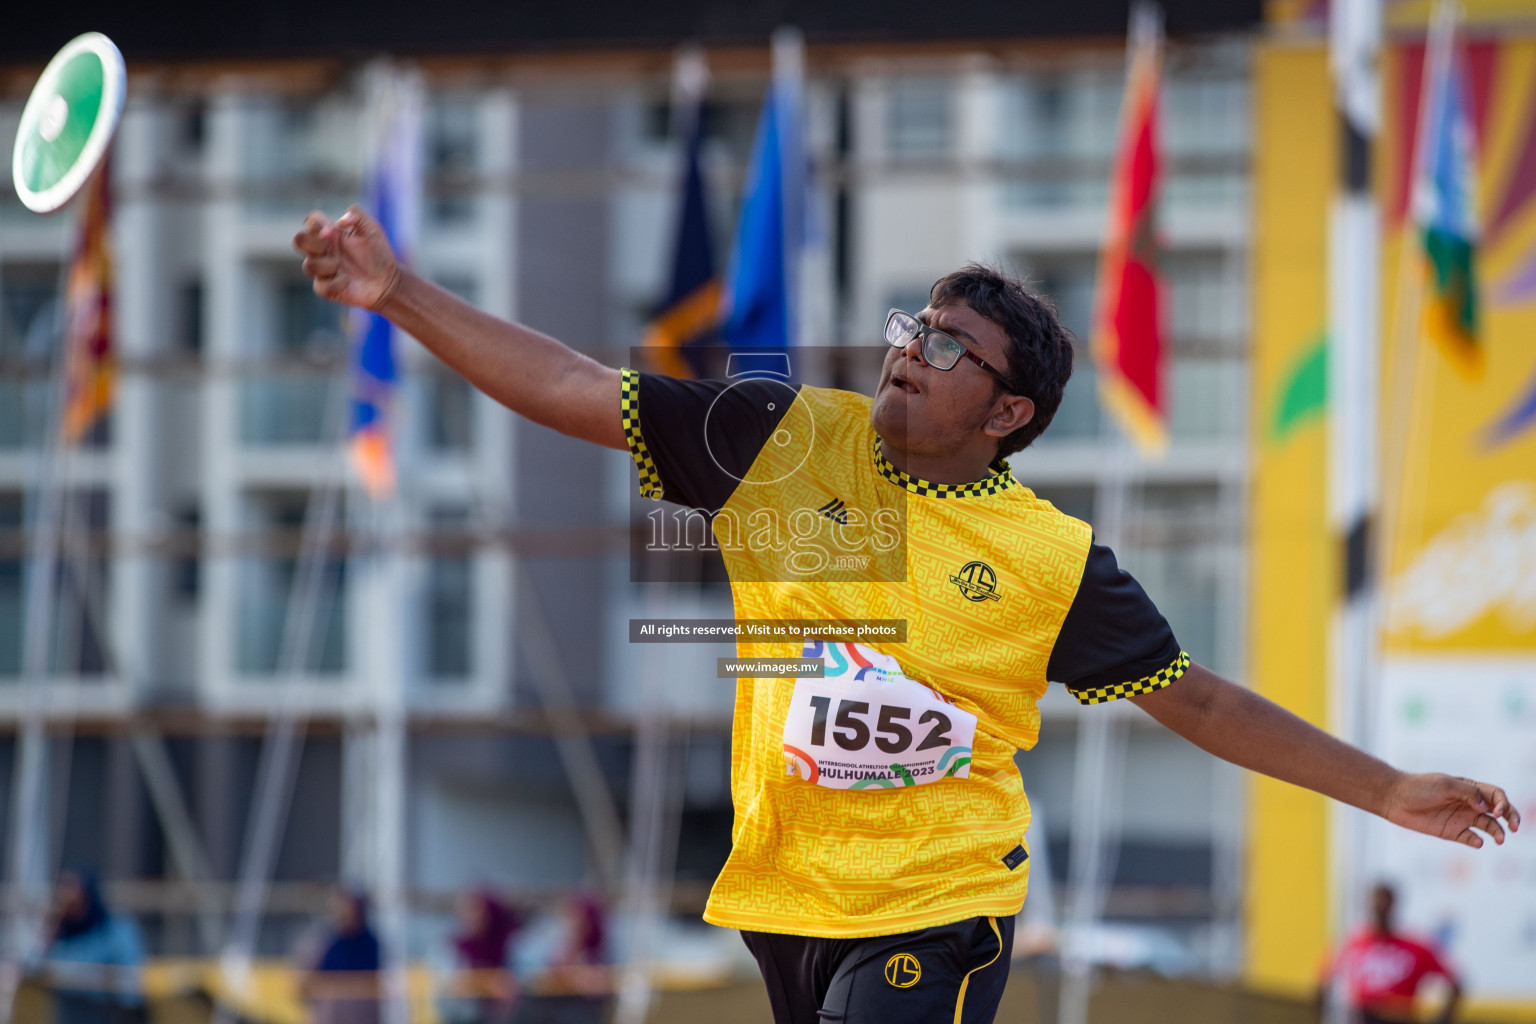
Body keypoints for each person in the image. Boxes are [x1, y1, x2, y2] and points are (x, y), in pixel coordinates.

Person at [294, 207, 1520, 1024]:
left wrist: (1387, 788)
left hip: (940, 899)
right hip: (786, 891)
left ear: (1009, 413)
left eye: (950, 344)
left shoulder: (1050, 557)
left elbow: (1193, 695)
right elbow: (570, 384)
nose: (911, 349)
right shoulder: (783, 437)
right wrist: (400, 293)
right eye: (913, 326)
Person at [1317, 883, 1461, 1024]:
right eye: (1376, 904)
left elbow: (1455, 984)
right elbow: (1322, 982)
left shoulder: (1414, 948)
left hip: (1400, 1017)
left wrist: (1442, 1018)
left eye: (1385, 903)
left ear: (1393, 905)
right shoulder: (1352, 945)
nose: (1380, 908)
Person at [38, 870, 145, 1024]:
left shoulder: (115, 930)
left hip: (107, 1013)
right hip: (71, 1013)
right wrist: (52, 926)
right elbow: (41, 967)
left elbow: (129, 985)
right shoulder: (63, 934)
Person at [300, 886, 382, 1024]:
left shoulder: (371, 943)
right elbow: (301, 985)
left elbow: (384, 984)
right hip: (331, 1017)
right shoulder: (322, 942)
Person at [441, 888, 522, 1024]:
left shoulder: (509, 946)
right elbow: (445, 994)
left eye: (478, 912)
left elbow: (522, 983)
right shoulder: (452, 948)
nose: (472, 918)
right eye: (468, 912)